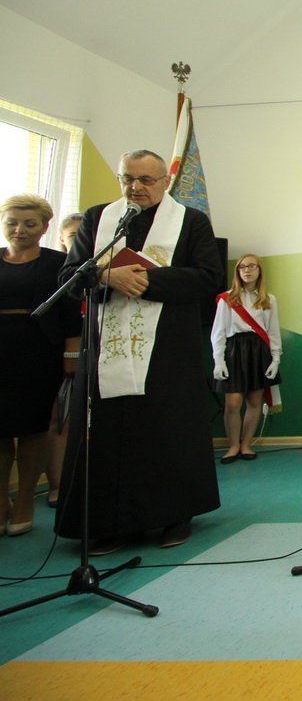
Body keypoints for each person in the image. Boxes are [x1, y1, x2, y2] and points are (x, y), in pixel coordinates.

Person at [56, 149, 224, 553]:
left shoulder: (190, 221)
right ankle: (110, 522)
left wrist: (149, 281)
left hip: (167, 348)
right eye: (128, 179)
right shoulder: (99, 219)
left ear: (164, 181)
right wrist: (105, 275)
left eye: (147, 180)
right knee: (110, 432)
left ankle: (172, 516)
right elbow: (68, 276)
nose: (136, 188)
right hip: (105, 348)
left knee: (166, 430)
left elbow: (208, 277)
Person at [1, 194, 80, 535]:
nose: (20, 230)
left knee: (34, 428)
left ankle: (24, 502)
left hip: (39, 353)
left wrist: (71, 357)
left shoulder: (56, 264)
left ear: (45, 227)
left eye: (29, 223)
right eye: (12, 223)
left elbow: (69, 314)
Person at [211, 254, 282, 463]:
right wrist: (219, 360)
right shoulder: (227, 298)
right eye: (242, 267)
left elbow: (273, 331)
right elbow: (218, 332)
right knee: (232, 403)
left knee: (254, 401)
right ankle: (233, 445)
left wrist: (276, 358)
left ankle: (246, 444)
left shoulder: (269, 299)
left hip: (259, 352)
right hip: (234, 351)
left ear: (260, 270)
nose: (247, 270)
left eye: (251, 266)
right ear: (237, 271)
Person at [44, 211, 86, 507]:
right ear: (60, 238)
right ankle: (58, 486)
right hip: (59, 355)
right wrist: (70, 355)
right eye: (74, 237)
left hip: (99, 350)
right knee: (60, 420)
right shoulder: (56, 270)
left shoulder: (103, 269)